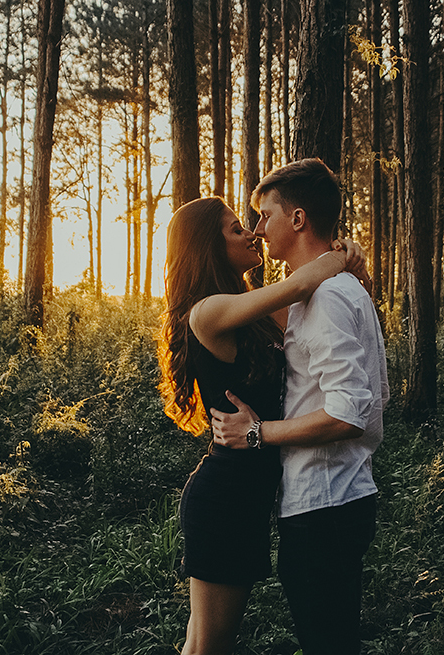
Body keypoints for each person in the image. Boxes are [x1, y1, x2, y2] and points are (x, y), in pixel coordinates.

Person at [157, 195, 365, 655]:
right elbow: (299, 285)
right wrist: (340, 253)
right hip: (225, 500)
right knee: (210, 647)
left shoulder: (252, 314)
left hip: (250, 499)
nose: (252, 232)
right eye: (236, 229)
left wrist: (350, 262)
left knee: (200, 645)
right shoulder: (208, 311)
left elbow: (314, 304)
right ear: (209, 247)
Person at [211, 158, 390, 655]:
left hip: (324, 505)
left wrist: (257, 433)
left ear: (298, 219)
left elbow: (348, 411)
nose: (258, 229)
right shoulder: (327, 291)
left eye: (265, 215)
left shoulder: (328, 298)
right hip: (330, 500)